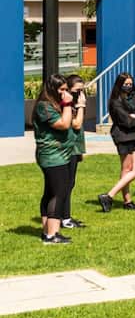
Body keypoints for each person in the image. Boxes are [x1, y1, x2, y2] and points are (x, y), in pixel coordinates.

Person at [32, 74, 75, 244]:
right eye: (61, 89)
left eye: (66, 89)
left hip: (60, 155)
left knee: (50, 192)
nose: (64, 93)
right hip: (52, 156)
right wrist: (67, 104)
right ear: (51, 89)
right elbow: (64, 124)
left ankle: (47, 231)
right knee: (59, 192)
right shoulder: (44, 106)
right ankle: (52, 235)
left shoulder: (53, 105)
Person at [98, 72, 135, 212]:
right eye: (125, 84)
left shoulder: (134, 98)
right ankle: (127, 201)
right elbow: (126, 122)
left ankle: (109, 195)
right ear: (119, 85)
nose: (128, 86)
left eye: (130, 84)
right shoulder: (115, 102)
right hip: (123, 136)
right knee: (126, 169)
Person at [59, 74, 88, 229]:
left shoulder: (74, 105)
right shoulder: (68, 106)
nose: (81, 94)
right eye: (77, 91)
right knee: (66, 183)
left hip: (75, 149)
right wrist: (81, 106)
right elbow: (76, 125)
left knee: (70, 183)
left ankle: (66, 216)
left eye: (82, 91)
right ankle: (64, 218)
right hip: (67, 149)